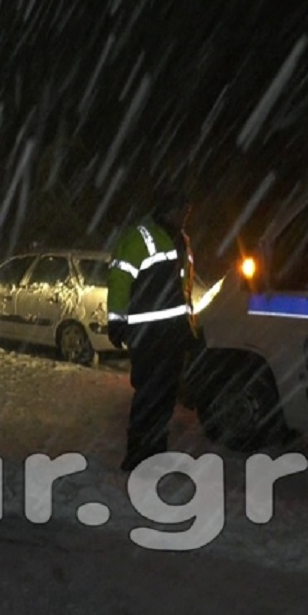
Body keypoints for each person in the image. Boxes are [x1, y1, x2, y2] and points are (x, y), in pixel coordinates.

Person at [107, 200, 198, 472]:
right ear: (166, 207)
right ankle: (137, 456)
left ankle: (156, 452)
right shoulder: (140, 237)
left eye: (187, 209)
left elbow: (184, 288)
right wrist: (116, 322)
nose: (185, 213)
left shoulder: (182, 240)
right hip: (147, 334)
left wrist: (188, 326)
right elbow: (119, 280)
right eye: (181, 207)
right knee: (148, 395)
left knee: (165, 398)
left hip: (172, 333)